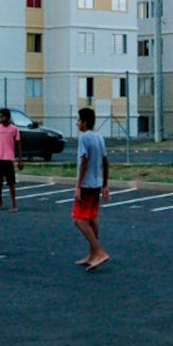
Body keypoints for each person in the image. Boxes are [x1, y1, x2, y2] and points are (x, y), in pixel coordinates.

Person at [72, 107, 110, 271]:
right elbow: (106, 161)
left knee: (78, 219)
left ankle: (99, 251)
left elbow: (84, 161)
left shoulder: (84, 138)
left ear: (85, 123)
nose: (77, 123)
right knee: (91, 218)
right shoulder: (99, 137)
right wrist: (105, 184)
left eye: (79, 120)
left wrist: (78, 185)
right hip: (96, 184)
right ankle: (92, 254)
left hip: (87, 185)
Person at [0, 108, 23, 212]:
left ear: (8, 117)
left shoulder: (14, 129)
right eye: (0, 117)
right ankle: (0, 201)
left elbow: (19, 144)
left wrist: (20, 160)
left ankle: (14, 204)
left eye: (3, 116)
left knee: (11, 182)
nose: (1, 118)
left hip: (8, 158)